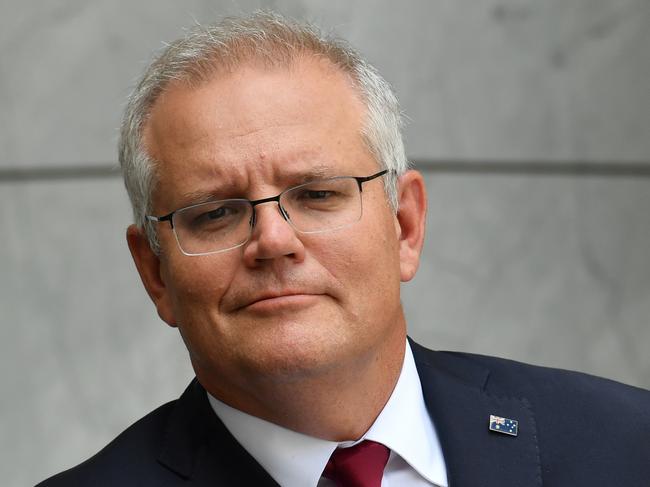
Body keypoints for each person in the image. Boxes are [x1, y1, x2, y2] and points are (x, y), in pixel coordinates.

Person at [39, 11, 650, 487]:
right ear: (155, 273)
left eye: (317, 194)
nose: (273, 241)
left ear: (404, 226)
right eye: (217, 214)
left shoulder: (626, 446)